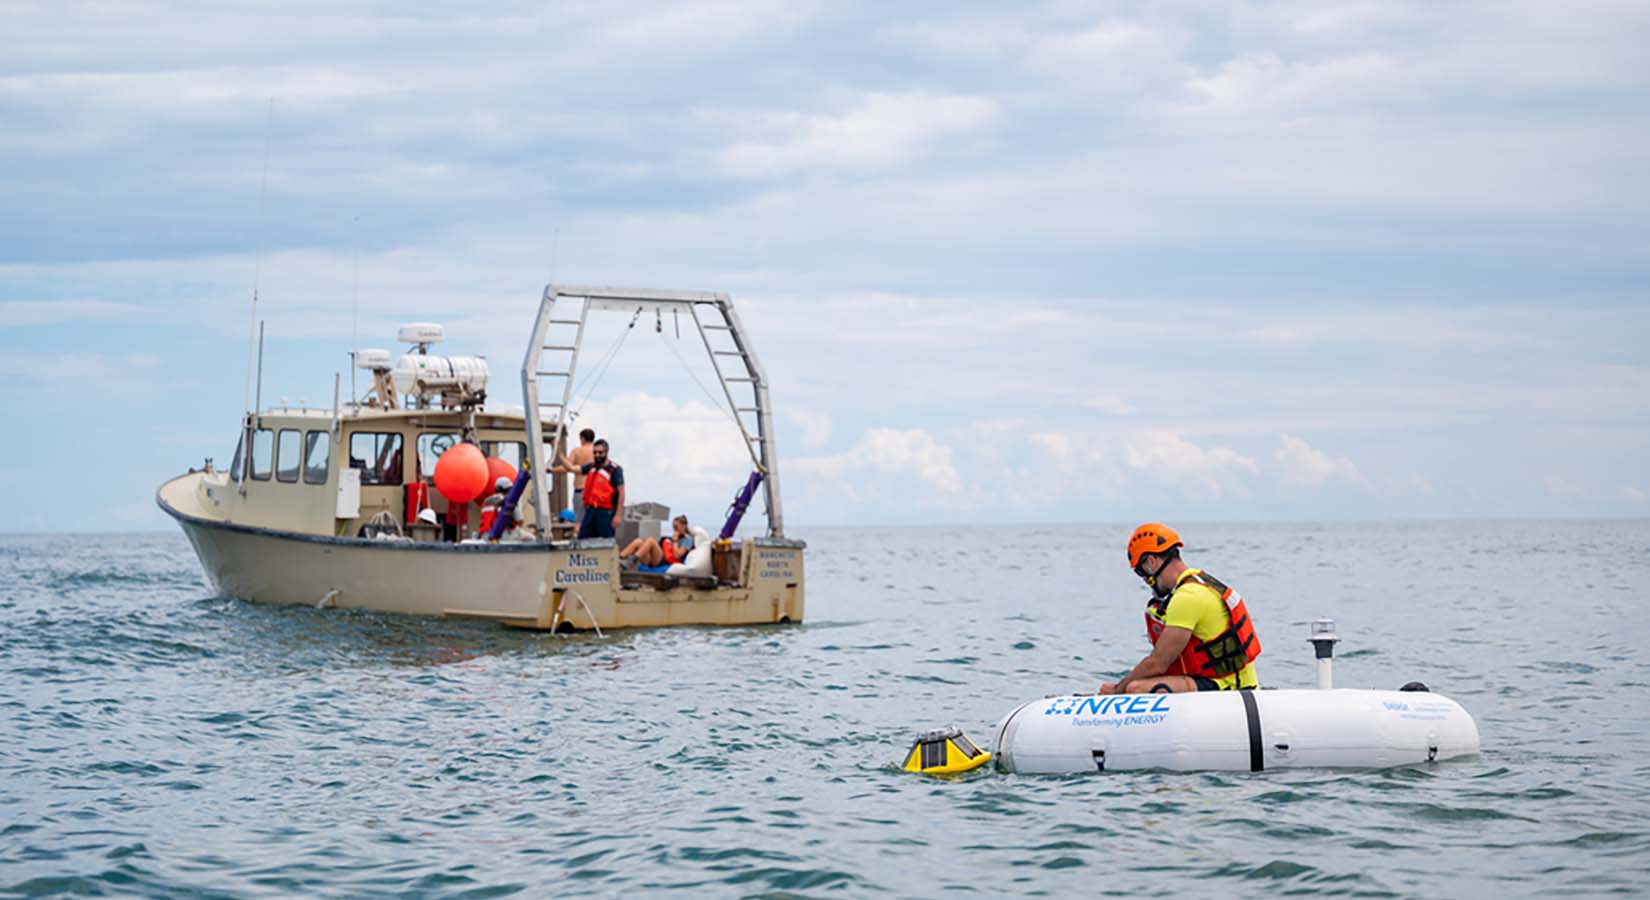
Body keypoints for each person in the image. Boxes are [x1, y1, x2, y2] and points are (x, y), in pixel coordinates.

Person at [1099, 523, 1262, 695]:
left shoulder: (1187, 597)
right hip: (1219, 680)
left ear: (1152, 562)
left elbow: (1158, 663)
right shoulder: (1197, 583)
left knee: (1136, 688)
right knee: (1138, 683)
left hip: (1228, 686)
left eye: (1141, 571)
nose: (1144, 580)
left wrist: (1117, 691)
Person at [554, 438, 622, 540]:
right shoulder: (592, 467)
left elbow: (621, 492)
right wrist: (559, 453)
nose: (597, 455)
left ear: (606, 452)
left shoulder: (614, 470)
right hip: (590, 510)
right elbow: (572, 468)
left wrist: (618, 515)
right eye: (595, 453)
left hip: (605, 512)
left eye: (600, 453)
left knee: (605, 542)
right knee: (583, 538)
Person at [620, 515, 695, 571]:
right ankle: (619, 561)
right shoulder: (676, 537)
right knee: (639, 541)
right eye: (673, 527)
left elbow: (677, 555)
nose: (674, 529)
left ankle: (631, 561)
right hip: (654, 559)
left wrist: (675, 540)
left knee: (651, 540)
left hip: (664, 562)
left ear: (683, 526)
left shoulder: (687, 539)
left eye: (676, 527)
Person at [568, 428, 596, 520]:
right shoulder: (598, 453)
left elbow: (567, 467)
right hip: (595, 491)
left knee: (580, 523)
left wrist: (551, 470)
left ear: (582, 438)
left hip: (580, 491)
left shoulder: (576, 451)